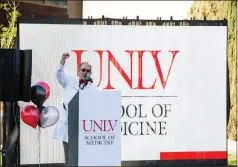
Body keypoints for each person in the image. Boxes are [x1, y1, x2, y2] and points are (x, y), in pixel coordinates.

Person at [52, 52, 96, 166]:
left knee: (83, 157)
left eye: (87, 71)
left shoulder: (93, 88)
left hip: (83, 127)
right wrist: (62, 61)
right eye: (83, 70)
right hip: (68, 126)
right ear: (78, 71)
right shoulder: (70, 81)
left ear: (90, 73)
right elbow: (59, 75)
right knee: (69, 156)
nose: (85, 72)